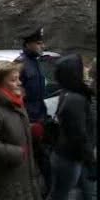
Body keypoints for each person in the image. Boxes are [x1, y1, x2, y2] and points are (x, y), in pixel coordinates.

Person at [0, 60, 41, 200]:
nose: (19, 83)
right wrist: (17, 153)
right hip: (4, 182)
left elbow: (10, 130)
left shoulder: (15, 102)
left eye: (18, 78)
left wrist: (30, 130)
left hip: (22, 177)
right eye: (13, 80)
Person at [47, 54, 95, 200]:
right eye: (82, 68)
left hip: (68, 155)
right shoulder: (75, 99)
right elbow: (79, 135)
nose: (86, 69)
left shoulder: (69, 92)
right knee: (60, 194)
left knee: (83, 192)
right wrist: (90, 161)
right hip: (70, 158)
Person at [15, 27, 50, 196]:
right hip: (29, 119)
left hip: (40, 115)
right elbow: (16, 96)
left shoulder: (36, 62)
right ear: (28, 44)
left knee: (42, 159)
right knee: (34, 160)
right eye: (39, 43)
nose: (42, 46)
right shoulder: (20, 65)